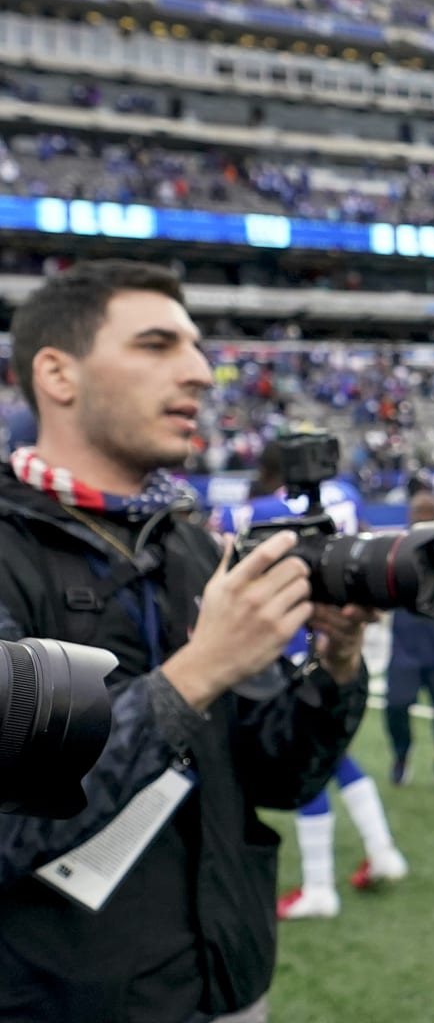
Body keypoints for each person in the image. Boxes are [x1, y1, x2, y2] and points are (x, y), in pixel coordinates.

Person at [0, 260, 369, 1023]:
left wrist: (334, 668)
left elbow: (279, 778)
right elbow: (14, 817)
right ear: (57, 375)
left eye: (197, 348)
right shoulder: (10, 548)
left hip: (227, 988)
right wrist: (196, 670)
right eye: (158, 345)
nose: (201, 372)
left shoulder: (190, 548)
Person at [214, 443, 408, 920]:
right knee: (336, 755)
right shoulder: (343, 493)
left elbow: (219, 546)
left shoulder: (259, 509)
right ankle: (383, 851)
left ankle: (321, 884)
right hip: (337, 624)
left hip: (286, 634)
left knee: (299, 749)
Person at [385, 490, 434, 793]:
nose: (422, 517)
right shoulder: (395, 548)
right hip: (405, 644)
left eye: (428, 511)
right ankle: (401, 754)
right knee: (396, 705)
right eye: (418, 511)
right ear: (410, 514)